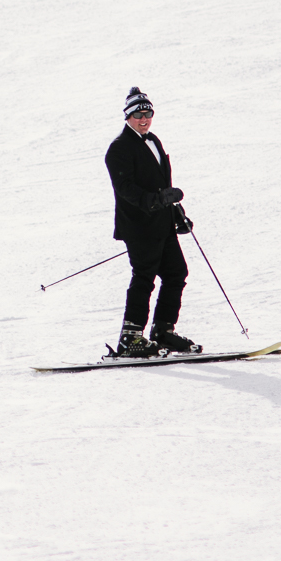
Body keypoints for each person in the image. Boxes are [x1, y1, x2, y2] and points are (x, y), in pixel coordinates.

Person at [104, 87, 201, 358]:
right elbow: (126, 189)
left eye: (148, 113)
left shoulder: (154, 141)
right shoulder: (118, 149)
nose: (144, 118)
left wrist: (176, 214)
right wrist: (158, 200)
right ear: (128, 117)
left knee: (176, 273)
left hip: (163, 224)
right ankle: (130, 338)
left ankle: (163, 332)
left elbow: (162, 185)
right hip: (138, 227)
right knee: (144, 277)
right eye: (138, 114)